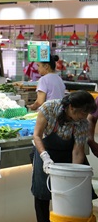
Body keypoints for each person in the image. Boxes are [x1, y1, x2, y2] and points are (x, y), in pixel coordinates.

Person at [31, 91, 96, 222]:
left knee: (78, 191)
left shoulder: (82, 123)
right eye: (83, 112)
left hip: (68, 153)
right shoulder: (49, 108)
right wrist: (45, 157)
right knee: (42, 193)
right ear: (71, 107)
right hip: (45, 152)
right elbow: (37, 135)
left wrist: (74, 173)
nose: (85, 117)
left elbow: (77, 151)